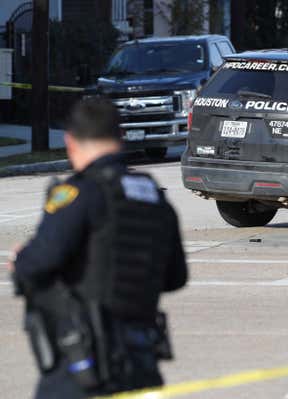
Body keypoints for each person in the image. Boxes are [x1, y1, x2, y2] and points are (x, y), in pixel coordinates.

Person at [7, 98, 188, 398]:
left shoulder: (80, 193)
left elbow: (36, 264)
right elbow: (175, 277)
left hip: (85, 363)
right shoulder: (153, 195)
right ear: (120, 139)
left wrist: (20, 259)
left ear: (70, 142)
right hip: (141, 360)